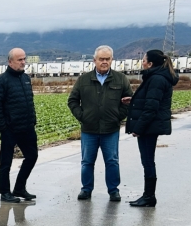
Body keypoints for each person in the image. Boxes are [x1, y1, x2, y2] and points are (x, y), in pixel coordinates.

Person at [67, 45, 133, 202]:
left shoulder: (120, 79)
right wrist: (82, 116)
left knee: (112, 161)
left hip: (111, 129)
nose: (104, 62)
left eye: (107, 59)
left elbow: (130, 101)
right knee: (87, 161)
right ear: (94, 60)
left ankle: (113, 190)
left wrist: (118, 117)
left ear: (112, 60)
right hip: (89, 129)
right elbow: (73, 100)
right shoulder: (84, 80)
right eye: (101, 59)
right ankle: (86, 189)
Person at [124, 49, 178, 207]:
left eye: (144, 59)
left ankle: (149, 197)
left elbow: (151, 108)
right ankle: (148, 196)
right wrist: (133, 100)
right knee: (148, 161)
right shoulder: (158, 77)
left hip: (149, 127)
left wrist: (138, 128)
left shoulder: (156, 79)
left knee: (148, 161)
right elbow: (151, 100)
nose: (142, 62)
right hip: (151, 126)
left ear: (150, 63)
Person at [0, 47, 38, 203]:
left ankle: (19, 188)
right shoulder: (1, 81)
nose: (23, 62)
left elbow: (29, 102)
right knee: (6, 163)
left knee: (32, 157)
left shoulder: (26, 79)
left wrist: (32, 121)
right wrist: (4, 128)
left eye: (24, 59)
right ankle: (5, 193)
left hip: (27, 128)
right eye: (20, 60)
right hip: (10, 130)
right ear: (10, 62)